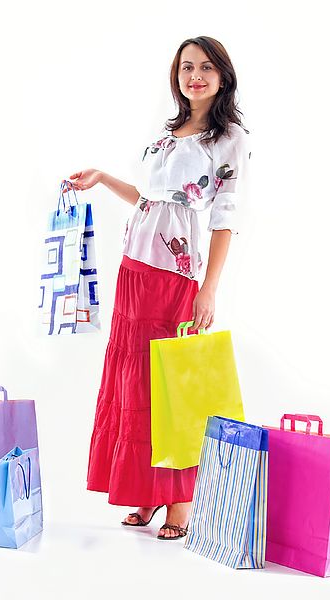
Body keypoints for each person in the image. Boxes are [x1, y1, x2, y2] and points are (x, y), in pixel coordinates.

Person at [64, 35, 251, 540]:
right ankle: (144, 494)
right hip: (133, 270)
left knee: (169, 387)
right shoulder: (168, 131)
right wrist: (103, 178)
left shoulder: (228, 137)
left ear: (222, 76)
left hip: (176, 277)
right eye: (187, 67)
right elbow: (150, 197)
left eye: (206, 68)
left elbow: (224, 220)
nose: (195, 76)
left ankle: (180, 503)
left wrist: (208, 290)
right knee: (133, 385)